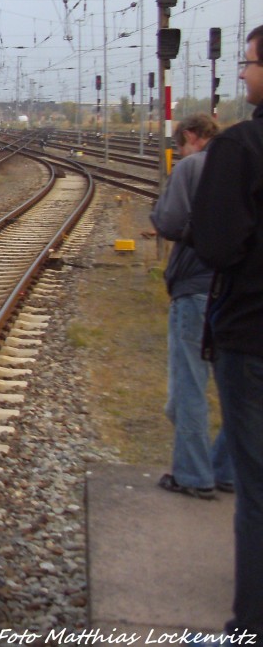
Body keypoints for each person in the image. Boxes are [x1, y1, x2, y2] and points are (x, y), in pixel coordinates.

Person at [189, 23, 263, 638]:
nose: (242, 73)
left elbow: (214, 242)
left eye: (249, 63)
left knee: (255, 488)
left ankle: (250, 625)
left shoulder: (241, 149)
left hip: (251, 331)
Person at [150, 113, 232, 499]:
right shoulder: (244, 162)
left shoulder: (191, 168)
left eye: (178, 147)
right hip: (240, 290)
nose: (178, 153)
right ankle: (227, 470)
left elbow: (167, 221)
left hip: (196, 286)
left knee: (190, 385)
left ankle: (193, 474)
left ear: (189, 137)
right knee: (241, 386)